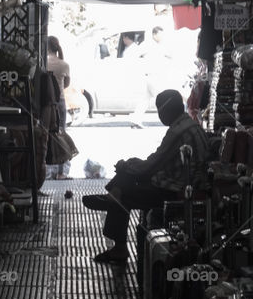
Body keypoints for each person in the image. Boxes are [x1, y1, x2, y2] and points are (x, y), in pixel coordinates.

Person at [82, 89, 209, 264]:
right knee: (128, 174)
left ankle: (117, 232)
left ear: (166, 111)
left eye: (159, 111)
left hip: (177, 189)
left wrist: (127, 165)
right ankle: (114, 193)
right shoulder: (190, 124)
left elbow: (151, 166)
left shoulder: (177, 131)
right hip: (182, 180)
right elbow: (158, 162)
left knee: (125, 188)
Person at [46, 35, 71, 130]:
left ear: (47, 47)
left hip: (46, 101)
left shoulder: (44, 63)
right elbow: (67, 84)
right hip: (60, 99)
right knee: (61, 132)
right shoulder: (64, 65)